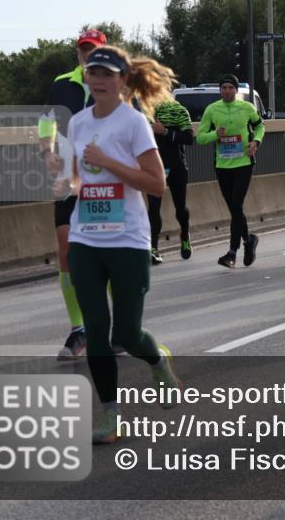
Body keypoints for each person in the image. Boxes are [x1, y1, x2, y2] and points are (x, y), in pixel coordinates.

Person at [55, 45, 182, 443]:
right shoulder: (77, 123)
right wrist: (63, 178)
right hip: (85, 238)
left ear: (123, 81)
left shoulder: (134, 124)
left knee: (126, 333)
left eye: (107, 74)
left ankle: (157, 360)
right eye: (93, 73)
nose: (98, 80)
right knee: (96, 331)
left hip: (127, 239)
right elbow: (77, 179)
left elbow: (156, 183)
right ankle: (110, 416)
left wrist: (108, 162)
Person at [39, 28, 107, 360]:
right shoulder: (62, 83)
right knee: (66, 252)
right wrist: (47, 152)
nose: (87, 53)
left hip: (103, 177)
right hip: (66, 177)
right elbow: (45, 123)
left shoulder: (117, 84)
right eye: (83, 48)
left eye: (93, 48)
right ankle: (79, 330)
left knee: (103, 254)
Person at [196, 74, 264, 269]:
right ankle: (248, 240)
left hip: (243, 163)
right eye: (223, 87)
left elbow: (260, 126)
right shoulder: (212, 109)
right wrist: (214, 134)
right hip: (222, 165)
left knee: (236, 204)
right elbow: (200, 137)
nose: (227, 91)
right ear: (220, 90)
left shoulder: (247, 108)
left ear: (236, 90)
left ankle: (232, 252)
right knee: (235, 209)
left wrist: (256, 142)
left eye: (230, 88)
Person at [146, 98, 194, 264]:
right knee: (153, 207)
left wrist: (164, 131)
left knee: (180, 207)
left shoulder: (178, 109)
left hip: (176, 166)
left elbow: (189, 138)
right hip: (154, 167)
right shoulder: (144, 110)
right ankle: (153, 248)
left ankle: (185, 235)